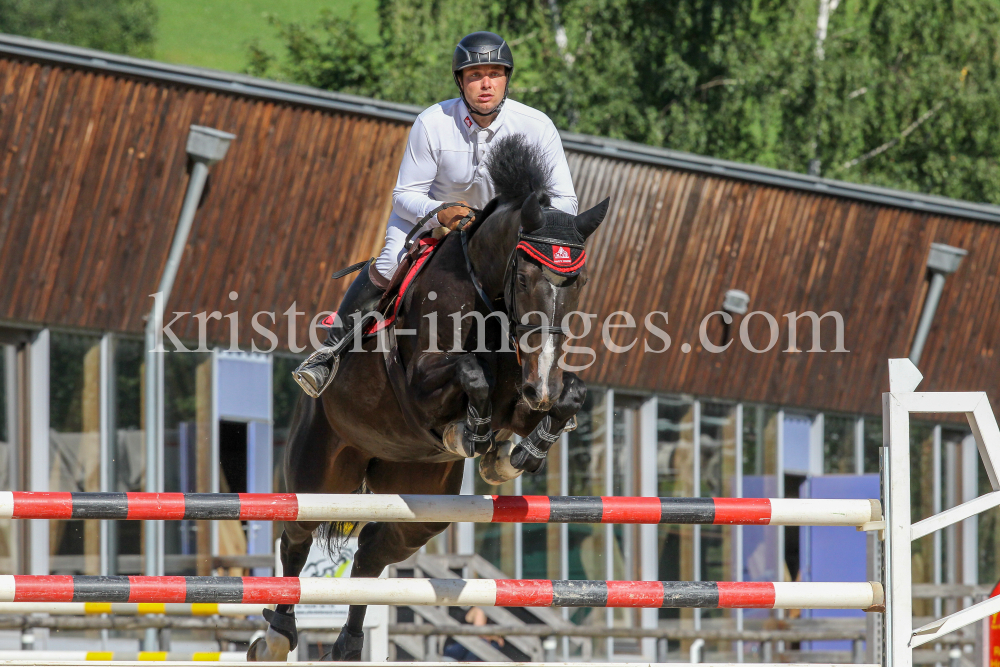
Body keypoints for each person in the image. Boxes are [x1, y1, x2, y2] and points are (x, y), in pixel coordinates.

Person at [293, 30, 578, 397]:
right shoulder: (433, 122)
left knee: (543, 283)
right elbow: (404, 196)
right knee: (388, 265)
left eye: (495, 73)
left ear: (508, 78)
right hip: (433, 223)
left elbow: (567, 203)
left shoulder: (537, 126)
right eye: (475, 75)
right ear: (460, 81)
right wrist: (439, 213)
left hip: (501, 236)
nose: (486, 83)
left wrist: (519, 223)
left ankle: (545, 374)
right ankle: (329, 354)